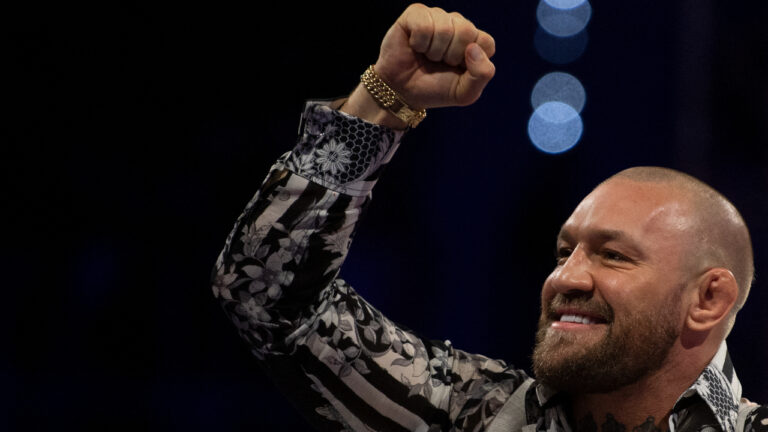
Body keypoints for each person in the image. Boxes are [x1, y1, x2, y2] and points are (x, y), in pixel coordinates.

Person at [211, 4, 766, 431]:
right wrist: (382, 100)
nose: (565, 278)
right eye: (563, 252)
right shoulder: (470, 412)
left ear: (708, 299)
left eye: (614, 255)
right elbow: (268, 296)